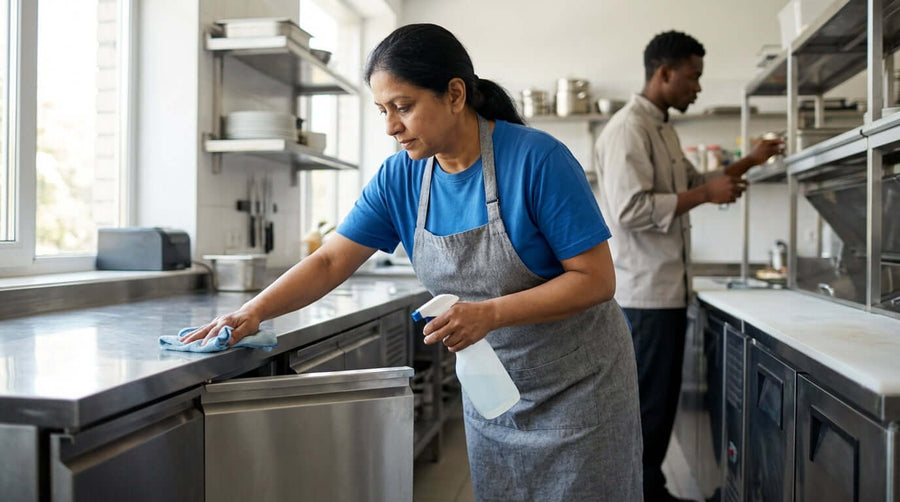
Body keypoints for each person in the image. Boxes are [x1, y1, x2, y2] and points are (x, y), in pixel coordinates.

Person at [182, 22, 642, 501]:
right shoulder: (400, 177)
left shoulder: (536, 160)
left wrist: (489, 313)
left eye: (403, 107)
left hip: (579, 389)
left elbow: (595, 280)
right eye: (383, 110)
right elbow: (331, 261)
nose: (390, 126)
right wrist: (253, 312)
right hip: (494, 388)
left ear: (455, 94)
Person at [593, 30, 783, 502]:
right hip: (643, 296)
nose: (697, 88)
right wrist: (706, 195)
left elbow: (698, 181)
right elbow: (629, 211)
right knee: (647, 408)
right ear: (664, 73)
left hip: (668, 292)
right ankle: (639, 492)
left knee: (660, 405)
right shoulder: (627, 130)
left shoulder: (663, 128)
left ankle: (649, 488)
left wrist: (748, 162)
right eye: (693, 77)